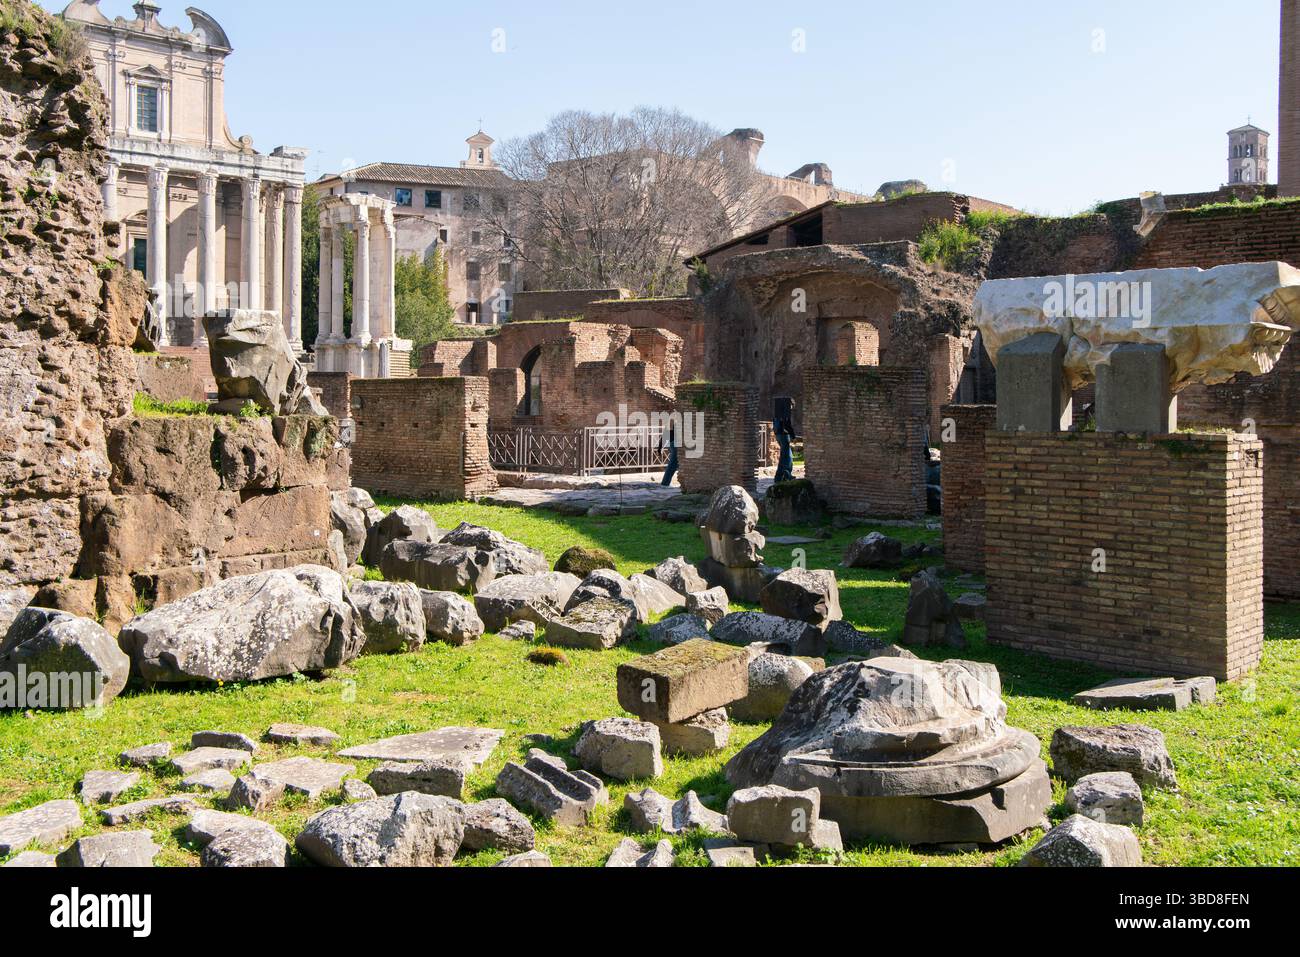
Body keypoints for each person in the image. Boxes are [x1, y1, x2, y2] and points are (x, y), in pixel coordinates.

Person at [774, 397, 796, 483]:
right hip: (784, 435)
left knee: (784, 456)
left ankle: (779, 476)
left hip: (778, 435)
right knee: (788, 456)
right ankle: (786, 475)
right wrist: (793, 436)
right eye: (791, 406)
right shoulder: (785, 413)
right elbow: (787, 426)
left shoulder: (778, 412)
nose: (792, 408)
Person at [661, 419, 679, 487]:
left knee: (673, 465)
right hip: (674, 444)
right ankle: (665, 483)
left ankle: (665, 483)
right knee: (672, 465)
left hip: (671, 444)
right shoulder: (676, 424)